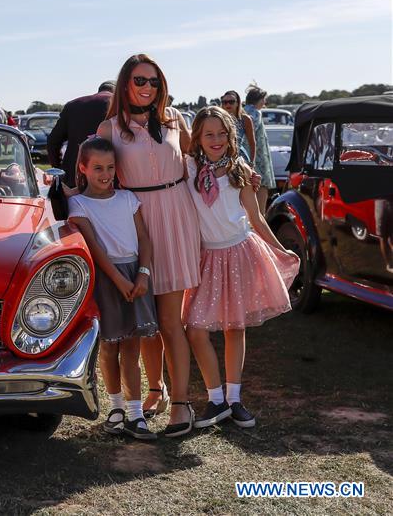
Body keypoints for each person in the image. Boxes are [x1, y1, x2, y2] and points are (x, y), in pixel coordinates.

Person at [95, 53, 200, 437]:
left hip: (176, 219)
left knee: (172, 323)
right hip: (135, 224)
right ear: (125, 84)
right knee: (146, 324)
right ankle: (154, 389)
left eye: (154, 81)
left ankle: (182, 406)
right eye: (140, 80)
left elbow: (199, 161)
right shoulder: (108, 129)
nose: (148, 88)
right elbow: (93, 178)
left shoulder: (176, 120)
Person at [183, 107, 300, 428]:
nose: (216, 140)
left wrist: (280, 249)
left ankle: (234, 398)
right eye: (209, 134)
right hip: (206, 257)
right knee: (195, 329)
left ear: (230, 136)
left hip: (239, 253)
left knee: (235, 327)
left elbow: (256, 217)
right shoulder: (189, 168)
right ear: (198, 137)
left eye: (222, 133)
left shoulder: (240, 171)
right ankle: (215, 399)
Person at [68, 136, 159, 440]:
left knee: (132, 346)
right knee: (109, 345)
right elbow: (94, 248)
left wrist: (143, 275)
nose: (105, 174)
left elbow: (145, 239)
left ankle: (135, 414)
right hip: (107, 278)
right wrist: (119, 281)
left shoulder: (128, 198)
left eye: (110, 167)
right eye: (97, 168)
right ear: (83, 168)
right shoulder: (78, 204)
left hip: (136, 274)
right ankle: (116, 409)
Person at [48, 80, 115, 188]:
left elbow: (53, 141)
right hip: (108, 180)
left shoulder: (73, 105)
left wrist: (59, 168)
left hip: (73, 176)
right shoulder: (117, 104)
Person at [243, 86, 275, 213]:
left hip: (246, 160)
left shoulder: (243, 111)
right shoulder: (256, 113)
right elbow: (250, 138)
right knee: (260, 207)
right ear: (259, 99)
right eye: (263, 99)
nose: (264, 102)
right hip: (258, 162)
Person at [219, 90, 255, 164]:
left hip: (240, 158)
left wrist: (252, 163)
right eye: (224, 102)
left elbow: (252, 143)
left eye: (231, 101)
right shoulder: (218, 119)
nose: (228, 104)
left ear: (237, 103)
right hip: (221, 157)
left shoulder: (245, 119)